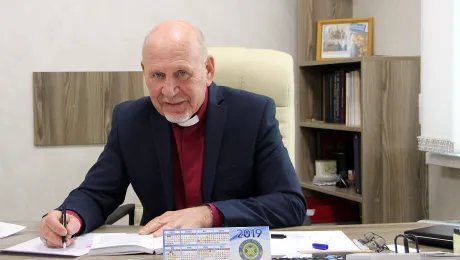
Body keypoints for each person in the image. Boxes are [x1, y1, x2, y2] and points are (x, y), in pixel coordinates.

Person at [39, 20, 306, 248]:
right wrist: (71, 217)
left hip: (236, 248)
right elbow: (97, 193)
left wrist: (209, 215)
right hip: (160, 249)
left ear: (208, 70)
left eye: (182, 73)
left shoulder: (253, 113)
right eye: (157, 75)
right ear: (144, 73)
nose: (169, 90)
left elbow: (289, 203)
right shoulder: (130, 120)